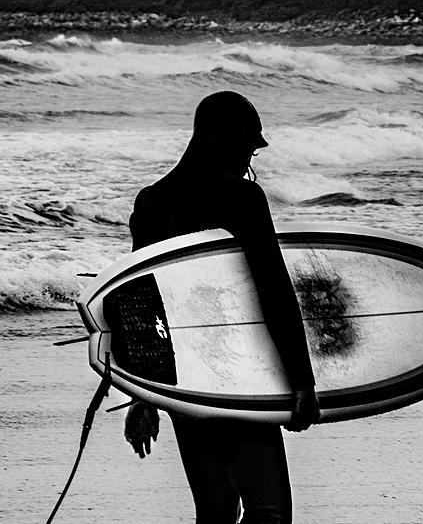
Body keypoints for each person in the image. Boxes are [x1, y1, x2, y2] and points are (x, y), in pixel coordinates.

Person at [124, 91, 320, 524]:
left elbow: (140, 306)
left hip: (182, 379)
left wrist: (144, 394)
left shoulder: (151, 201)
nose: (250, 158)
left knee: (215, 510)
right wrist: (301, 382)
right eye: (248, 147)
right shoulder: (241, 198)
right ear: (221, 141)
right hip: (237, 372)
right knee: (269, 511)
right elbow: (273, 291)